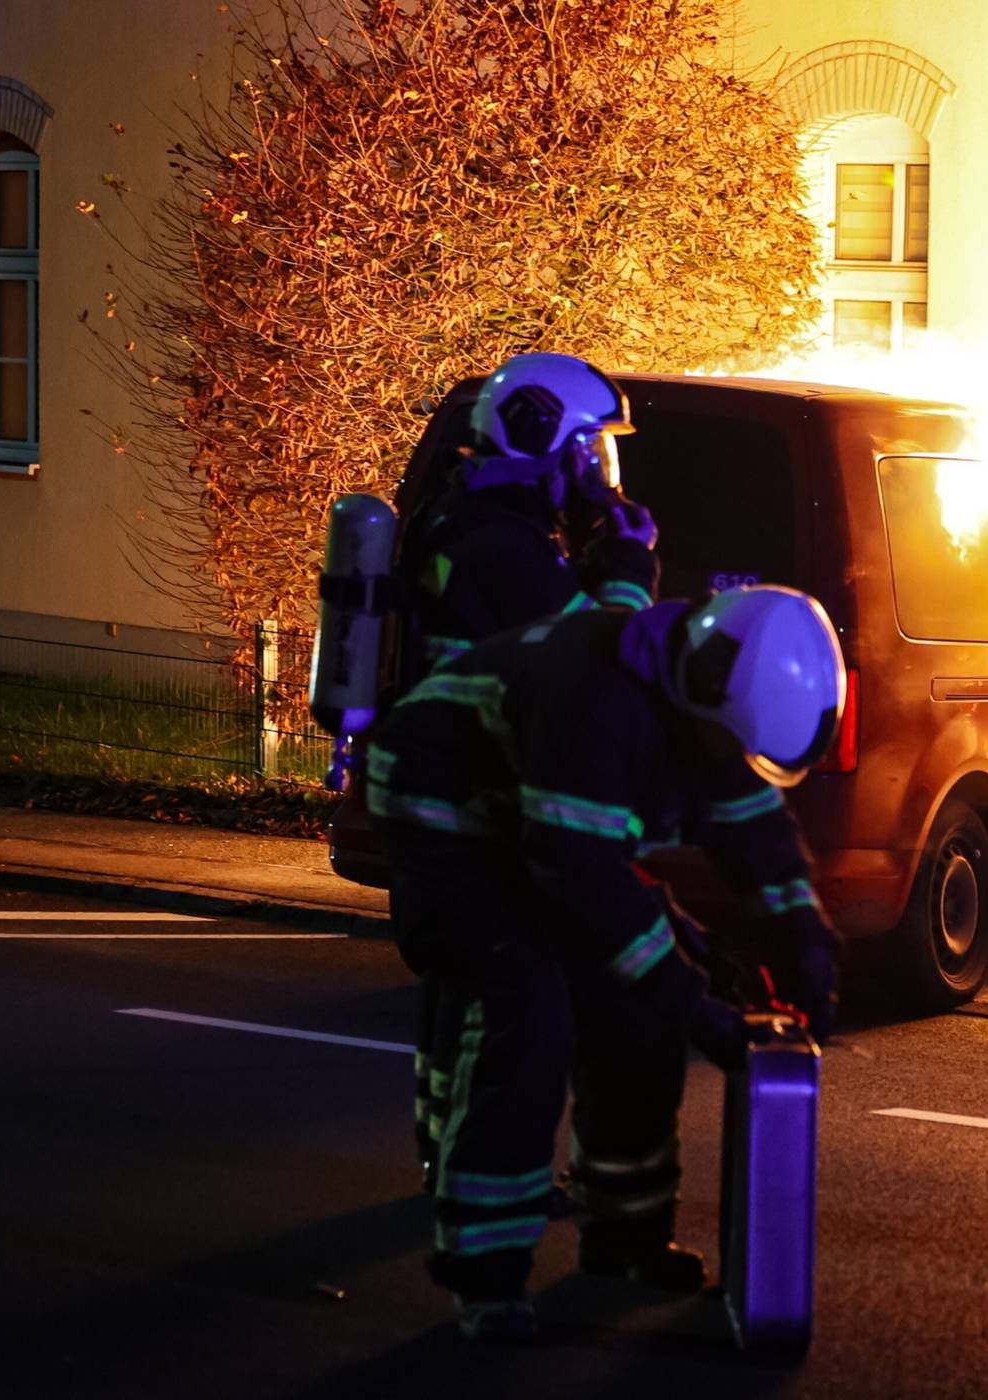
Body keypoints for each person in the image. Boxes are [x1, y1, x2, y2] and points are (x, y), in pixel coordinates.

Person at [366, 586, 845, 1341]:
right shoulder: (592, 703)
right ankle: (484, 1276)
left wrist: (806, 936)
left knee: (637, 1021)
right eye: (727, 746)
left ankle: (625, 1242)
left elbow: (751, 824)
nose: (731, 762)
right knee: (527, 1008)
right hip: (445, 813)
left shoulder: (717, 702)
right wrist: (697, 1006)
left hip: (538, 821)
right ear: (699, 704)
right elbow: (586, 888)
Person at [396, 353, 658, 1190]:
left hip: (443, 812)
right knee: (519, 1014)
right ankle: (489, 1200)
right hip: (481, 823)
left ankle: (443, 1154)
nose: (600, 478)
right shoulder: (506, 551)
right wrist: (627, 576)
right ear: (546, 441)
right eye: (592, 455)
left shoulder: (458, 521)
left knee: (458, 1004)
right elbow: (593, 667)